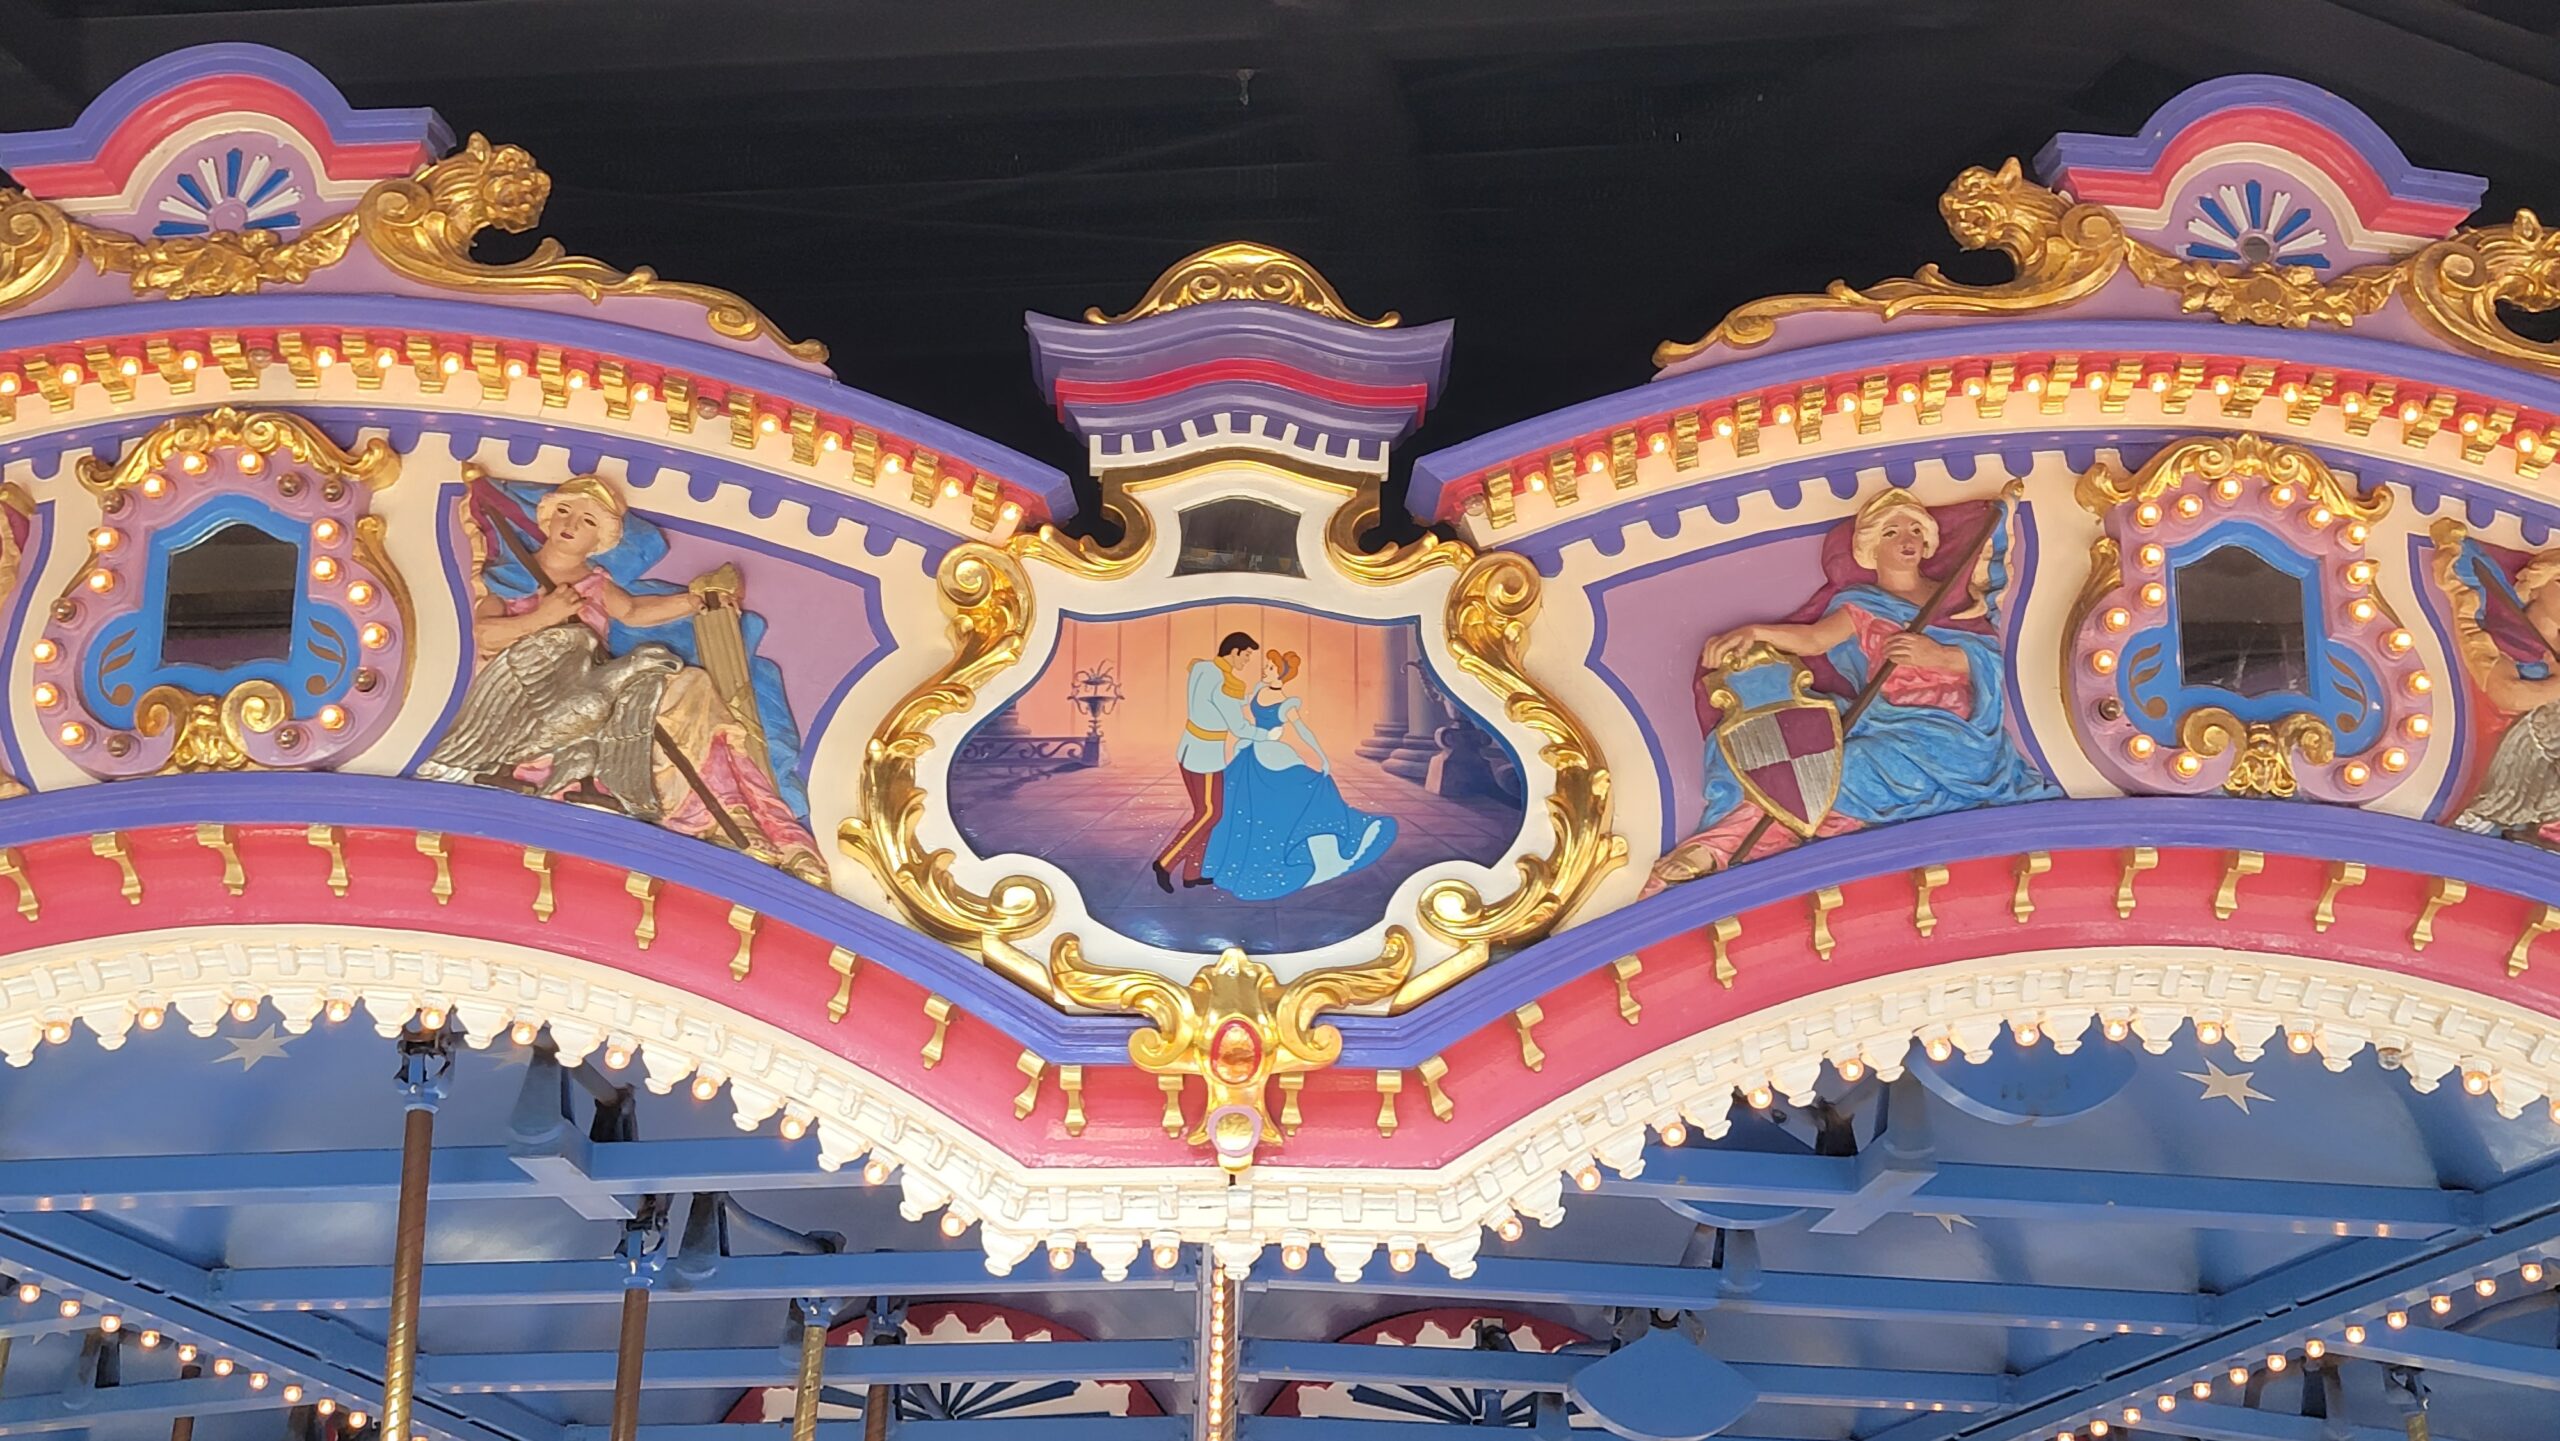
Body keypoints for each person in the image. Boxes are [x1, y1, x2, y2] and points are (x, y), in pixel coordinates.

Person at [1649, 489, 2054, 889]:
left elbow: (1986, 657)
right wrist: (1754, 632)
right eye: (1892, 532)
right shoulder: (1861, 604)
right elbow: (1813, 641)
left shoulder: (1953, 601)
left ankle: (1726, 845)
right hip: (1886, 719)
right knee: (1780, 745)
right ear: (1870, 547)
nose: (1907, 540)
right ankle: (1725, 838)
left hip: (1950, 735)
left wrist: (1938, 655)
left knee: (1837, 770)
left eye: (1915, 531)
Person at [449, 472, 827, 882]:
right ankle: (701, 810)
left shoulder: (595, 584)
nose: (571, 524)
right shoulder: (511, 579)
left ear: (602, 541)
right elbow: (485, 633)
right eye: (564, 512)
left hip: (593, 684)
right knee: (611, 698)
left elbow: (633, 612)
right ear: (547, 518)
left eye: (588, 521)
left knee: (692, 686)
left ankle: (724, 810)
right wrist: (544, 616)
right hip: (536, 693)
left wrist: (695, 602)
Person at [1200, 650, 1396, 900]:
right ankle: (1238, 858)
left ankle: (1320, 842)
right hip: (1252, 750)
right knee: (1238, 803)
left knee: (1302, 789)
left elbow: (1302, 730)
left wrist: (1321, 755)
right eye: (1266, 666)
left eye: (1270, 668)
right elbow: (1241, 703)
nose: (1265, 670)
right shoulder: (1260, 689)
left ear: (1281, 673)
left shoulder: (1285, 703)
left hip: (1272, 753)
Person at [1155, 632, 1281, 892]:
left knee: (1203, 813)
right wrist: (1267, 735)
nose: (1247, 661)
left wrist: (1258, 689)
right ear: (1234, 652)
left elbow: (1223, 701)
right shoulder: (1227, 683)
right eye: (1246, 655)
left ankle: (1192, 873)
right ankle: (1166, 862)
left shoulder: (1203, 668)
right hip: (1206, 756)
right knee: (1211, 813)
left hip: (1188, 747)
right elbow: (1239, 726)